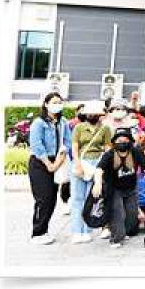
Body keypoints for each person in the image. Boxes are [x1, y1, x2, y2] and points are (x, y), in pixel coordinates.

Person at [92, 128, 145, 248]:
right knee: (118, 214)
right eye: (119, 140)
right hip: (114, 189)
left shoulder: (135, 152)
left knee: (132, 215)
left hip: (131, 188)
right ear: (114, 142)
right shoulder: (110, 154)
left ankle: (122, 231)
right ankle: (116, 238)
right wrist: (98, 183)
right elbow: (99, 169)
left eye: (125, 140)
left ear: (130, 141)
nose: (122, 143)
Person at [27, 92, 71, 245]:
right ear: (46, 104)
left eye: (59, 102)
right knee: (43, 198)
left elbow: (67, 142)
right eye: (54, 102)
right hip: (40, 163)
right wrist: (48, 164)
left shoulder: (63, 122)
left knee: (52, 199)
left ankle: (44, 230)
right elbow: (36, 145)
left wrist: (58, 162)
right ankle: (37, 233)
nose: (57, 105)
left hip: (57, 160)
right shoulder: (39, 123)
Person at [69, 100, 111, 243]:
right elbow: (75, 148)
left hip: (97, 163)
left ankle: (87, 230)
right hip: (81, 161)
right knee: (77, 198)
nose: (92, 115)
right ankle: (76, 231)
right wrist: (77, 164)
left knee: (90, 199)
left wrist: (103, 167)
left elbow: (107, 149)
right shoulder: (78, 128)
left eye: (95, 113)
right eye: (90, 113)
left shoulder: (105, 129)